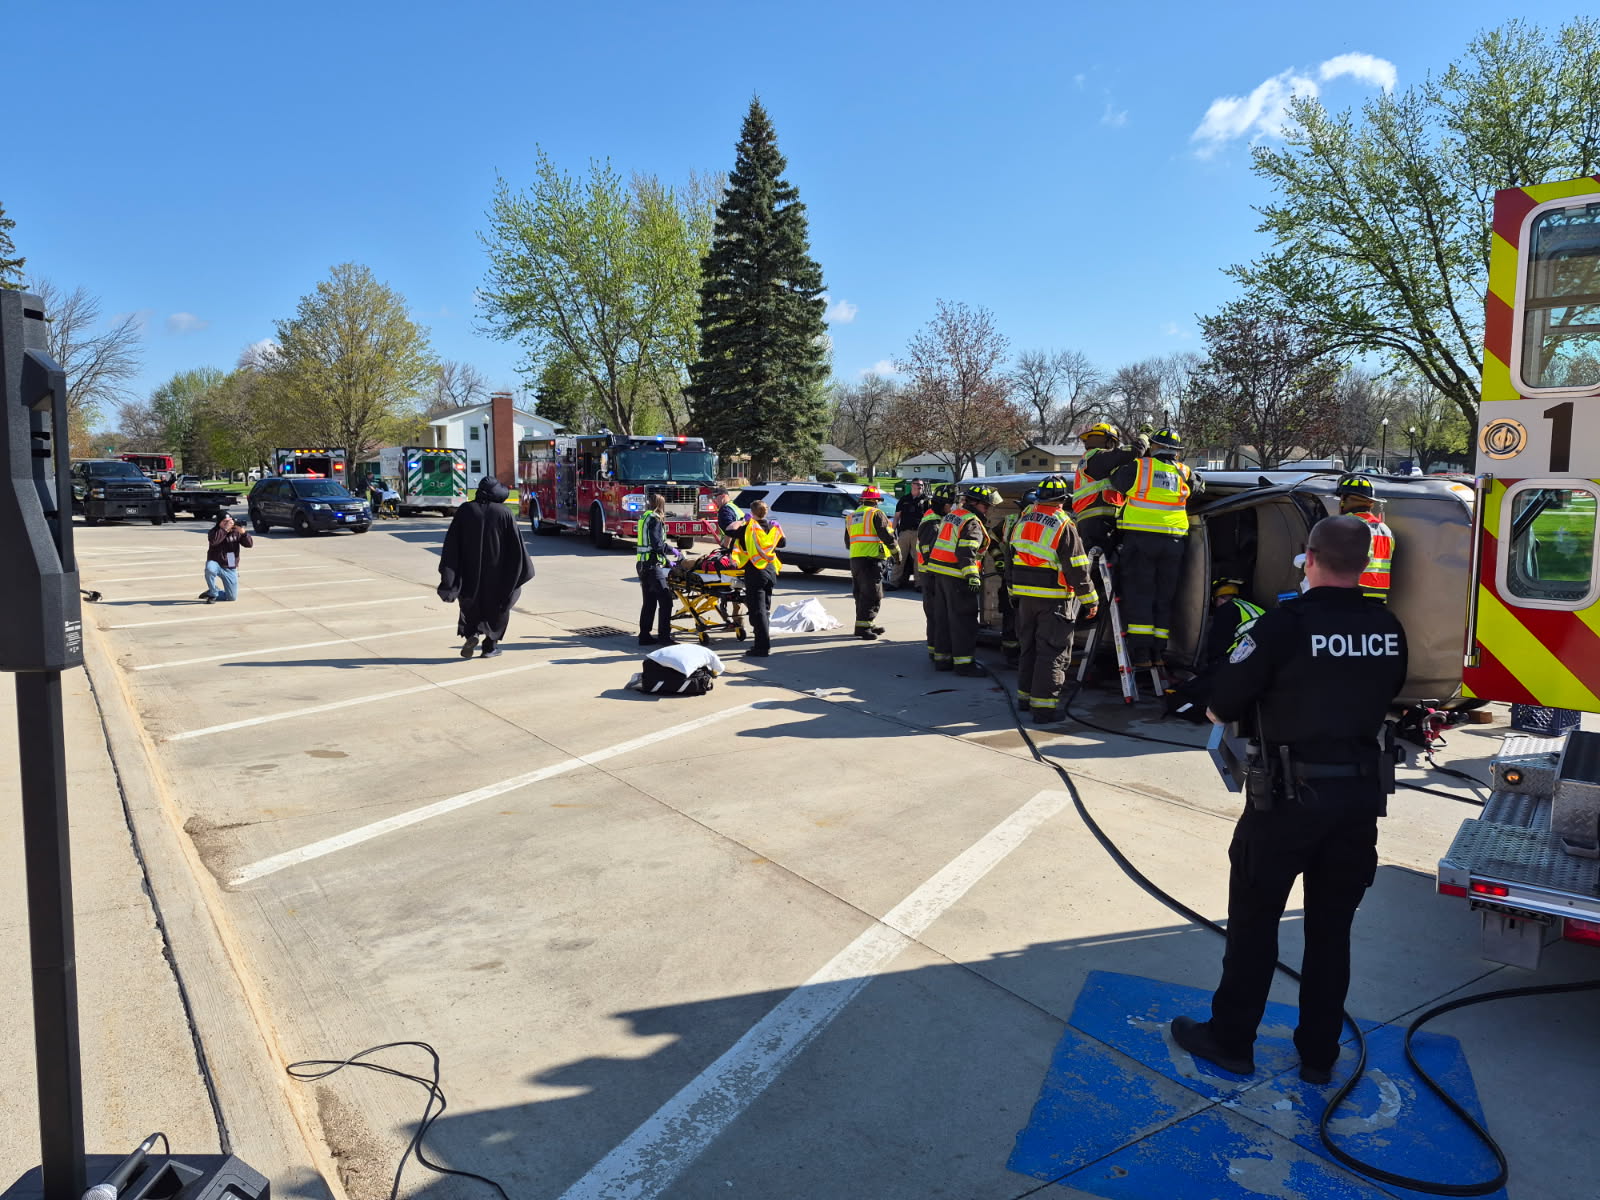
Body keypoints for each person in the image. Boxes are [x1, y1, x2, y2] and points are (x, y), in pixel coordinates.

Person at [1170, 516, 1407, 1086]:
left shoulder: (1282, 626)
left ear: (1309, 556)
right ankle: (1319, 1055)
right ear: (1367, 563)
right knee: (1332, 931)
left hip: (1285, 799)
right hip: (1356, 800)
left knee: (1255, 925)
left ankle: (1231, 1041)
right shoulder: (1388, 628)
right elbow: (1389, 692)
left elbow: (1221, 704)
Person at [1109, 429, 1203, 671]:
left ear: (1153, 446)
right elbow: (1199, 488)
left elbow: (1116, 481)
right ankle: (1158, 653)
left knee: (1140, 595)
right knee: (1164, 596)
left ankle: (1140, 654)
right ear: (1177, 451)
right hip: (1174, 542)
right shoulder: (1184, 472)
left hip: (1141, 540)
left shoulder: (1140, 467)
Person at [1007, 476, 1098, 722]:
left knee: (1029, 649)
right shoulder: (1063, 524)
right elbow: (1077, 568)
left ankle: (1025, 699)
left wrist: (1013, 591)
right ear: (1062, 500)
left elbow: (1011, 556)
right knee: (1052, 652)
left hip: (1025, 598)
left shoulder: (1023, 519)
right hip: (1054, 599)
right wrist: (1090, 600)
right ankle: (1045, 709)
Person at [438, 475, 534, 659]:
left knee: (470, 603)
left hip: (469, 570)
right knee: (498, 606)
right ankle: (489, 646)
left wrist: (451, 573)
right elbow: (516, 547)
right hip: (497, 573)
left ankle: (472, 634)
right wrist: (516, 573)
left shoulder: (466, 510)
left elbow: (452, 542)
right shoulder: (504, 512)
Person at [1167, 578, 1266, 723]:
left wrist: (1211, 670)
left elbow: (1218, 644)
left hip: (1240, 663)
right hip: (1263, 664)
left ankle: (1199, 711)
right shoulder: (1255, 608)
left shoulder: (1227, 609)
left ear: (1219, 599)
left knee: (1191, 692)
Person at [924, 484, 996, 675]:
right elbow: (966, 551)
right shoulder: (971, 522)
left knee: (944, 619)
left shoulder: (952, 516)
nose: (987, 509)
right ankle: (964, 665)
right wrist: (972, 575)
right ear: (976, 503)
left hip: (939, 574)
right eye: (986, 506)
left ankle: (943, 660)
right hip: (958, 577)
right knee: (963, 621)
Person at [844, 485, 898, 640]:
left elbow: (848, 542)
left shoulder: (852, 517)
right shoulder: (876, 514)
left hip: (856, 559)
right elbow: (887, 536)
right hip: (872, 559)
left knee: (861, 593)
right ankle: (863, 628)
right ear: (876, 501)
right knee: (873, 594)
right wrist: (896, 553)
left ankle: (866, 624)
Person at [1070, 422, 1134, 554]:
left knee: (1099, 565)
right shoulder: (1099, 457)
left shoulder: (1090, 459)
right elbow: (1132, 452)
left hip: (1092, 522)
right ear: (1109, 442)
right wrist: (1144, 438)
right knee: (1100, 566)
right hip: (1098, 523)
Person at [734, 499, 786, 656]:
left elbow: (730, 532)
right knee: (765, 610)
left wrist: (742, 522)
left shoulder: (748, 528)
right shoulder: (773, 527)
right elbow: (783, 543)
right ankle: (762, 643)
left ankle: (762, 647)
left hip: (756, 572)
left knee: (758, 612)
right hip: (770, 571)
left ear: (752, 512)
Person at [1333, 474, 1395, 603]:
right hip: (1378, 600)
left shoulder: (1348, 525)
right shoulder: (1386, 530)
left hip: (1351, 598)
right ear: (1370, 503)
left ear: (1344, 499)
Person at [990, 489, 1035, 667]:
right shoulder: (1010, 522)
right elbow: (991, 539)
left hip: (1031, 579)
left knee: (1026, 618)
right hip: (1010, 577)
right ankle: (1011, 653)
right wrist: (998, 559)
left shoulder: (1040, 524)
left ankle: (1025, 653)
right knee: (1011, 616)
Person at [635, 490, 682, 646]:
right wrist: (672, 553)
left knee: (649, 601)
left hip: (642, 565)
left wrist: (668, 560)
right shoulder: (655, 519)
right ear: (661, 506)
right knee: (666, 600)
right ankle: (664, 637)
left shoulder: (644, 517)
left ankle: (644, 635)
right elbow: (657, 544)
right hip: (652, 566)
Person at [917, 484, 956, 662]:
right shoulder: (933, 522)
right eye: (951, 503)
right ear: (943, 504)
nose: (953, 507)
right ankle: (935, 652)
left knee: (936, 614)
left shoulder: (938, 518)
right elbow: (929, 551)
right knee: (934, 614)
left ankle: (935, 650)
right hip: (930, 574)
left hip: (932, 573)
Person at [198, 512, 252, 603]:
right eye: (224, 521)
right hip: (216, 563)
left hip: (230, 567)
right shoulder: (213, 532)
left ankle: (212, 591)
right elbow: (214, 541)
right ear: (219, 522)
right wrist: (225, 530)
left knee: (232, 597)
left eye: (229, 521)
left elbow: (249, 544)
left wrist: (243, 533)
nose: (227, 523)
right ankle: (213, 593)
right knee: (209, 569)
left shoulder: (236, 532)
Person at [890, 479, 931, 590]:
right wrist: (892, 531)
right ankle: (893, 582)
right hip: (905, 532)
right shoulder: (904, 499)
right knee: (899, 557)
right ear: (912, 485)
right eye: (918, 484)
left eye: (922, 485)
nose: (920, 487)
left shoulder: (926, 501)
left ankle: (919, 584)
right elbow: (897, 516)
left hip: (919, 533)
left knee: (919, 559)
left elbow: (930, 518)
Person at [711, 487, 747, 551]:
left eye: (715, 497)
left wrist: (725, 548)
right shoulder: (733, 506)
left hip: (734, 547)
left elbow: (729, 530)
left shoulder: (725, 511)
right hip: (742, 544)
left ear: (723, 496)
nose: (713, 500)